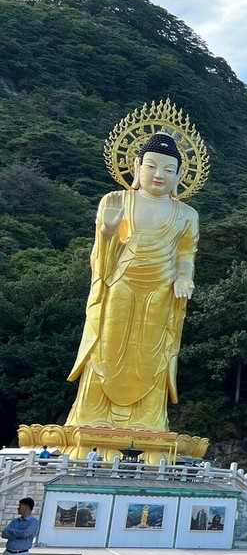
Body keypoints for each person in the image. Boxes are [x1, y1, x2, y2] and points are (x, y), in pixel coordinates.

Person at [66, 128, 200, 433]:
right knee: (108, 346)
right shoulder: (115, 200)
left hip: (162, 290)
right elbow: (101, 255)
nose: (159, 174)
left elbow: (186, 253)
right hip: (120, 282)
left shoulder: (187, 214)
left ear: (179, 175)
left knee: (153, 353)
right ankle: (90, 416)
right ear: (137, 167)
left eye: (169, 169)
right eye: (151, 166)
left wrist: (183, 277)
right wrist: (107, 232)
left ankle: (148, 422)